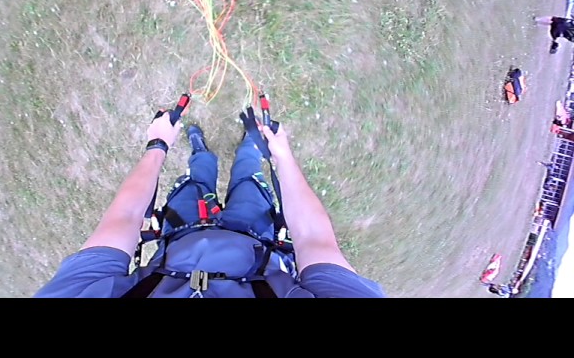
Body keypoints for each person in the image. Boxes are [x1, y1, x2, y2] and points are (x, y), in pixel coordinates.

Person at [34, 108, 386, 298]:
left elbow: (124, 219)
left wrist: (157, 145)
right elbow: (313, 239)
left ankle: (203, 150)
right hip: (256, 240)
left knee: (197, 177)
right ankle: (246, 149)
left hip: (182, 233)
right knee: (248, 178)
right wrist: (282, 156)